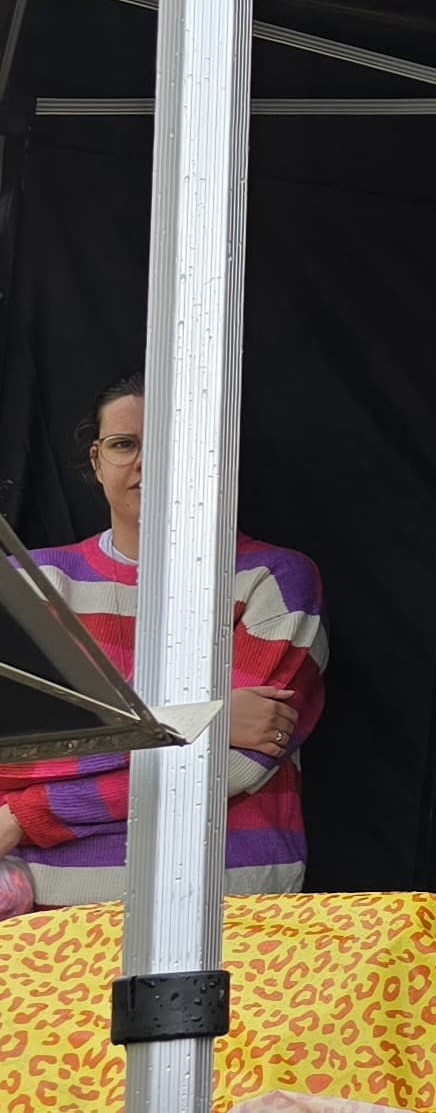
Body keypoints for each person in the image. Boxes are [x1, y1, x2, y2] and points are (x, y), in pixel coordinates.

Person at [0, 374, 327, 911]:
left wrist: (24, 814)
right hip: (49, 915)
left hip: (230, 907)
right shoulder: (33, 583)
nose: (146, 464)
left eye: (172, 445)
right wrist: (205, 720)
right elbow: (13, 754)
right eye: (125, 444)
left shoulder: (273, 579)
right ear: (97, 460)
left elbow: (242, 761)